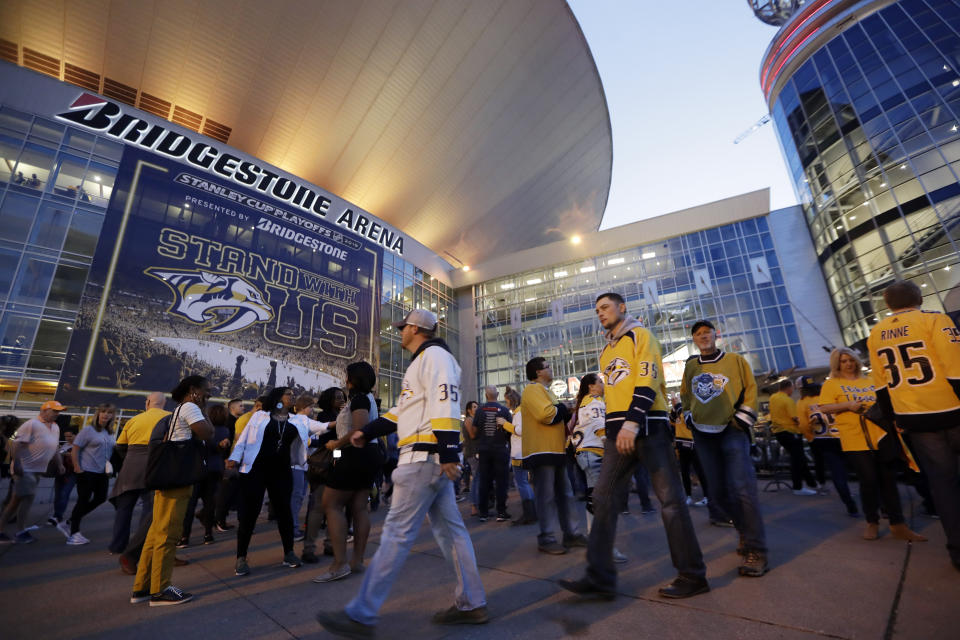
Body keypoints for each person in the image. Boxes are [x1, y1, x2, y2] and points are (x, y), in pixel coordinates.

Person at [316, 308, 487, 636]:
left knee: (396, 535)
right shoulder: (424, 361)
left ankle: (362, 613)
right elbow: (400, 412)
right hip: (428, 461)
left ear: (417, 328)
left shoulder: (434, 356)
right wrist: (366, 432)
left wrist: (449, 451)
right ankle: (473, 603)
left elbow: (445, 403)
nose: (400, 332)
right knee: (451, 534)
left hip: (423, 460)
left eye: (403, 327)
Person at [559, 293, 708, 600]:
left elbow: (648, 380)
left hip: (648, 428)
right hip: (617, 435)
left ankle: (693, 575)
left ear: (621, 307)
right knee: (602, 498)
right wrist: (618, 429)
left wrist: (632, 422)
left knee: (670, 501)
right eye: (596, 309)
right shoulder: (607, 350)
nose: (600, 313)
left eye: (605, 307)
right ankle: (600, 577)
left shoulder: (641, 335)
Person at [868, 280, 960, 568]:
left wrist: (894, 419)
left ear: (888, 305)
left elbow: (881, 386)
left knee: (943, 485)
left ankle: (957, 550)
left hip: (914, 418)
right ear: (919, 297)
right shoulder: (934, 320)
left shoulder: (877, 333)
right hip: (952, 409)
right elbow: (955, 366)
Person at [681, 320, 767, 577]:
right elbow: (686, 395)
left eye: (707, 332)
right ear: (694, 339)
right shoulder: (691, 366)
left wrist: (743, 417)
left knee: (742, 488)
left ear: (715, 335)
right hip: (703, 432)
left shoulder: (736, 360)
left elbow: (751, 389)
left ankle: (756, 549)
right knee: (717, 492)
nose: (703, 336)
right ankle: (743, 532)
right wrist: (687, 416)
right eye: (698, 334)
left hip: (732, 430)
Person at [818, 348, 926, 542]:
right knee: (868, 480)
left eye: (851, 360)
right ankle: (872, 522)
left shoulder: (870, 381)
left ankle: (898, 524)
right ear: (837, 364)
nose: (848, 364)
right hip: (855, 439)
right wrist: (848, 406)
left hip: (882, 436)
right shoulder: (832, 384)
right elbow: (824, 407)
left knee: (888, 481)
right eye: (843, 361)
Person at [130, 375, 213, 607]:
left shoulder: (181, 408)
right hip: (178, 478)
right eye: (206, 390)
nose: (209, 394)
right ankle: (161, 589)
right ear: (194, 390)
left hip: (169, 477)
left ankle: (142, 586)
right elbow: (208, 433)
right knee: (168, 533)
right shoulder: (189, 407)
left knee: (156, 532)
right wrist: (202, 408)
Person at [229, 387, 326, 576]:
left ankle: (288, 553)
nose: (292, 397)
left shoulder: (296, 419)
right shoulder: (259, 417)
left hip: (282, 471)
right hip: (256, 469)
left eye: (292, 394)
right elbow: (244, 440)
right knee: (250, 513)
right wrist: (234, 458)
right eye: (288, 394)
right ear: (277, 398)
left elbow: (322, 426)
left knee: (284, 512)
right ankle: (241, 557)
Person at [314, 363, 381, 583]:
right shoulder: (366, 399)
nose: (345, 379)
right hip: (364, 455)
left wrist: (335, 444)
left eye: (347, 376)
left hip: (354, 454)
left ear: (353, 379)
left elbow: (357, 430)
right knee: (359, 507)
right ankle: (356, 561)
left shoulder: (360, 399)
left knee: (331, 503)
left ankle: (339, 564)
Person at [520, 356, 584, 554]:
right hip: (542, 450)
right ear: (538, 372)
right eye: (547, 367)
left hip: (555, 450)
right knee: (546, 496)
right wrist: (564, 408)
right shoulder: (532, 389)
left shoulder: (545, 391)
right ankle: (547, 537)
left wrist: (563, 409)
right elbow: (546, 415)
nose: (551, 369)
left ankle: (571, 534)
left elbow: (553, 412)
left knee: (565, 494)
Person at [569, 373, 627, 564]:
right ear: (591, 387)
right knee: (600, 501)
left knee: (596, 499)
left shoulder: (588, 402)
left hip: (588, 453)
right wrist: (612, 444)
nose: (603, 384)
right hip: (593, 453)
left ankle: (597, 543)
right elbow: (599, 425)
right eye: (600, 382)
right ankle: (603, 548)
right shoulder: (595, 402)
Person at [109, 392, 168, 571]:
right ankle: (140, 547)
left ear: (148, 403)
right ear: (164, 403)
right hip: (156, 467)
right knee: (150, 510)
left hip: (131, 467)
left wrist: (129, 459)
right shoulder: (170, 418)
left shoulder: (134, 420)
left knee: (124, 508)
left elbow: (120, 445)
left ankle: (117, 545)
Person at [0, 400, 65, 544]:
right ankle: (19, 531)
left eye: (58, 411)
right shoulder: (32, 424)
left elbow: (54, 448)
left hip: (37, 470)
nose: (57, 414)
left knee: (16, 501)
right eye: (54, 411)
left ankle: (9, 530)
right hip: (25, 469)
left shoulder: (55, 427)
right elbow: (16, 444)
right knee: (24, 500)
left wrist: (60, 463)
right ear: (43, 411)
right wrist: (16, 463)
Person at [796, 379, 858, 517]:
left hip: (823, 439)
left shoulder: (802, 403)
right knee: (861, 468)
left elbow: (803, 426)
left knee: (837, 473)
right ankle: (878, 503)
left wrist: (811, 438)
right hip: (843, 436)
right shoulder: (829, 397)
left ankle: (850, 504)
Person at [302, 386, 345, 563]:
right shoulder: (326, 418)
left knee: (335, 508)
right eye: (337, 398)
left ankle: (329, 544)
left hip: (338, 463)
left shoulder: (340, 415)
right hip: (327, 465)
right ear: (329, 400)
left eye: (343, 397)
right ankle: (309, 549)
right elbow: (330, 442)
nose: (341, 400)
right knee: (319, 507)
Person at [178, 403, 231, 547]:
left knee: (190, 504)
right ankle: (208, 535)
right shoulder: (225, 431)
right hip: (215, 469)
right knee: (209, 503)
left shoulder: (198, 431)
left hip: (197, 469)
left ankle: (184, 537)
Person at [65, 403, 117, 545]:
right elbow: (75, 449)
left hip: (102, 473)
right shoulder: (88, 430)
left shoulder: (110, 433)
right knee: (83, 500)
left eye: (110, 412)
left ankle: (71, 520)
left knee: (100, 498)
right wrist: (78, 469)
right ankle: (74, 534)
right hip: (87, 471)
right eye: (103, 411)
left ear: (113, 416)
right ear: (98, 414)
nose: (106, 414)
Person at [216, 396, 264, 531]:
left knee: (236, 494)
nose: (243, 407)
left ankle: (224, 519)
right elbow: (234, 442)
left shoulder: (242, 420)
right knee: (227, 493)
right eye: (240, 406)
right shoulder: (235, 422)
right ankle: (219, 519)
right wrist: (228, 459)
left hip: (240, 461)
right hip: (233, 461)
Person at [769, 379, 819, 496]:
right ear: (789, 388)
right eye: (792, 388)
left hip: (779, 432)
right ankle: (798, 487)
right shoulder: (788, 400)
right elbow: (795, 418)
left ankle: (811, 483)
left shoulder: (773, 398)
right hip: (791, 431)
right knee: (797, 460)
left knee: (799, 458)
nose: (793, 391)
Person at [471, 386, 513, 522]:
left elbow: (474, 430)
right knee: (502, 481)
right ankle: (501, 512)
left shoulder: (480, 410)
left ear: (485, 395)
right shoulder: (505, 410)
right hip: (501, 449)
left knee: (484, 481)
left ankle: (483, 513)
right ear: (498, 394)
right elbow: (509, 430)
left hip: (484, 450)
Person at [501, 386, 536, 525]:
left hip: (519, 453)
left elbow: (521, 431)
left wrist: (505, 424)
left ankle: (529, 513)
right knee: (523, 483)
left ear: (511, 400)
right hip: (521, 451)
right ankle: (531, 512)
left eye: (506, 401)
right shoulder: (520, 412)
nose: (506, 404)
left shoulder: (519, 413)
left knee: (522, 483)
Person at [290, 395, 315, 542]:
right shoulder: (299, 421)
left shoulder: (300, 421)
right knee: (296, 497)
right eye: (311, 407)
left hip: (302, 465)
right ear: (305, 407)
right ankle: (292, 529)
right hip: (297, 465)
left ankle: (293, 527)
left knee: (298, 497)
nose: (312, 410)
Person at [49, 428, 77, 527]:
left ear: (76, 435)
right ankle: (57, 515)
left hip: (71, 473)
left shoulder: (79, 445)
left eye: (70, 436)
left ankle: (57, 515)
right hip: (61, 473)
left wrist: (64, 453)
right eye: (66, 436)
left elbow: (78, 456)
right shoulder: (65, 445)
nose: (67, 438)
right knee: (58, 494)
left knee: (64, 493)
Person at [462, 400, 480, 516]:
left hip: (475, 452)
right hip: (472, 453)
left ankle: (477, 504)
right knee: (477, 479)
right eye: (474, 407)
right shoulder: (469, 420)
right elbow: (473, 435)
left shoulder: (474, 420)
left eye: (477, 406)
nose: (476, 408)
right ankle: (474, 505)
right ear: (469, 410)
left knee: (478, 478)